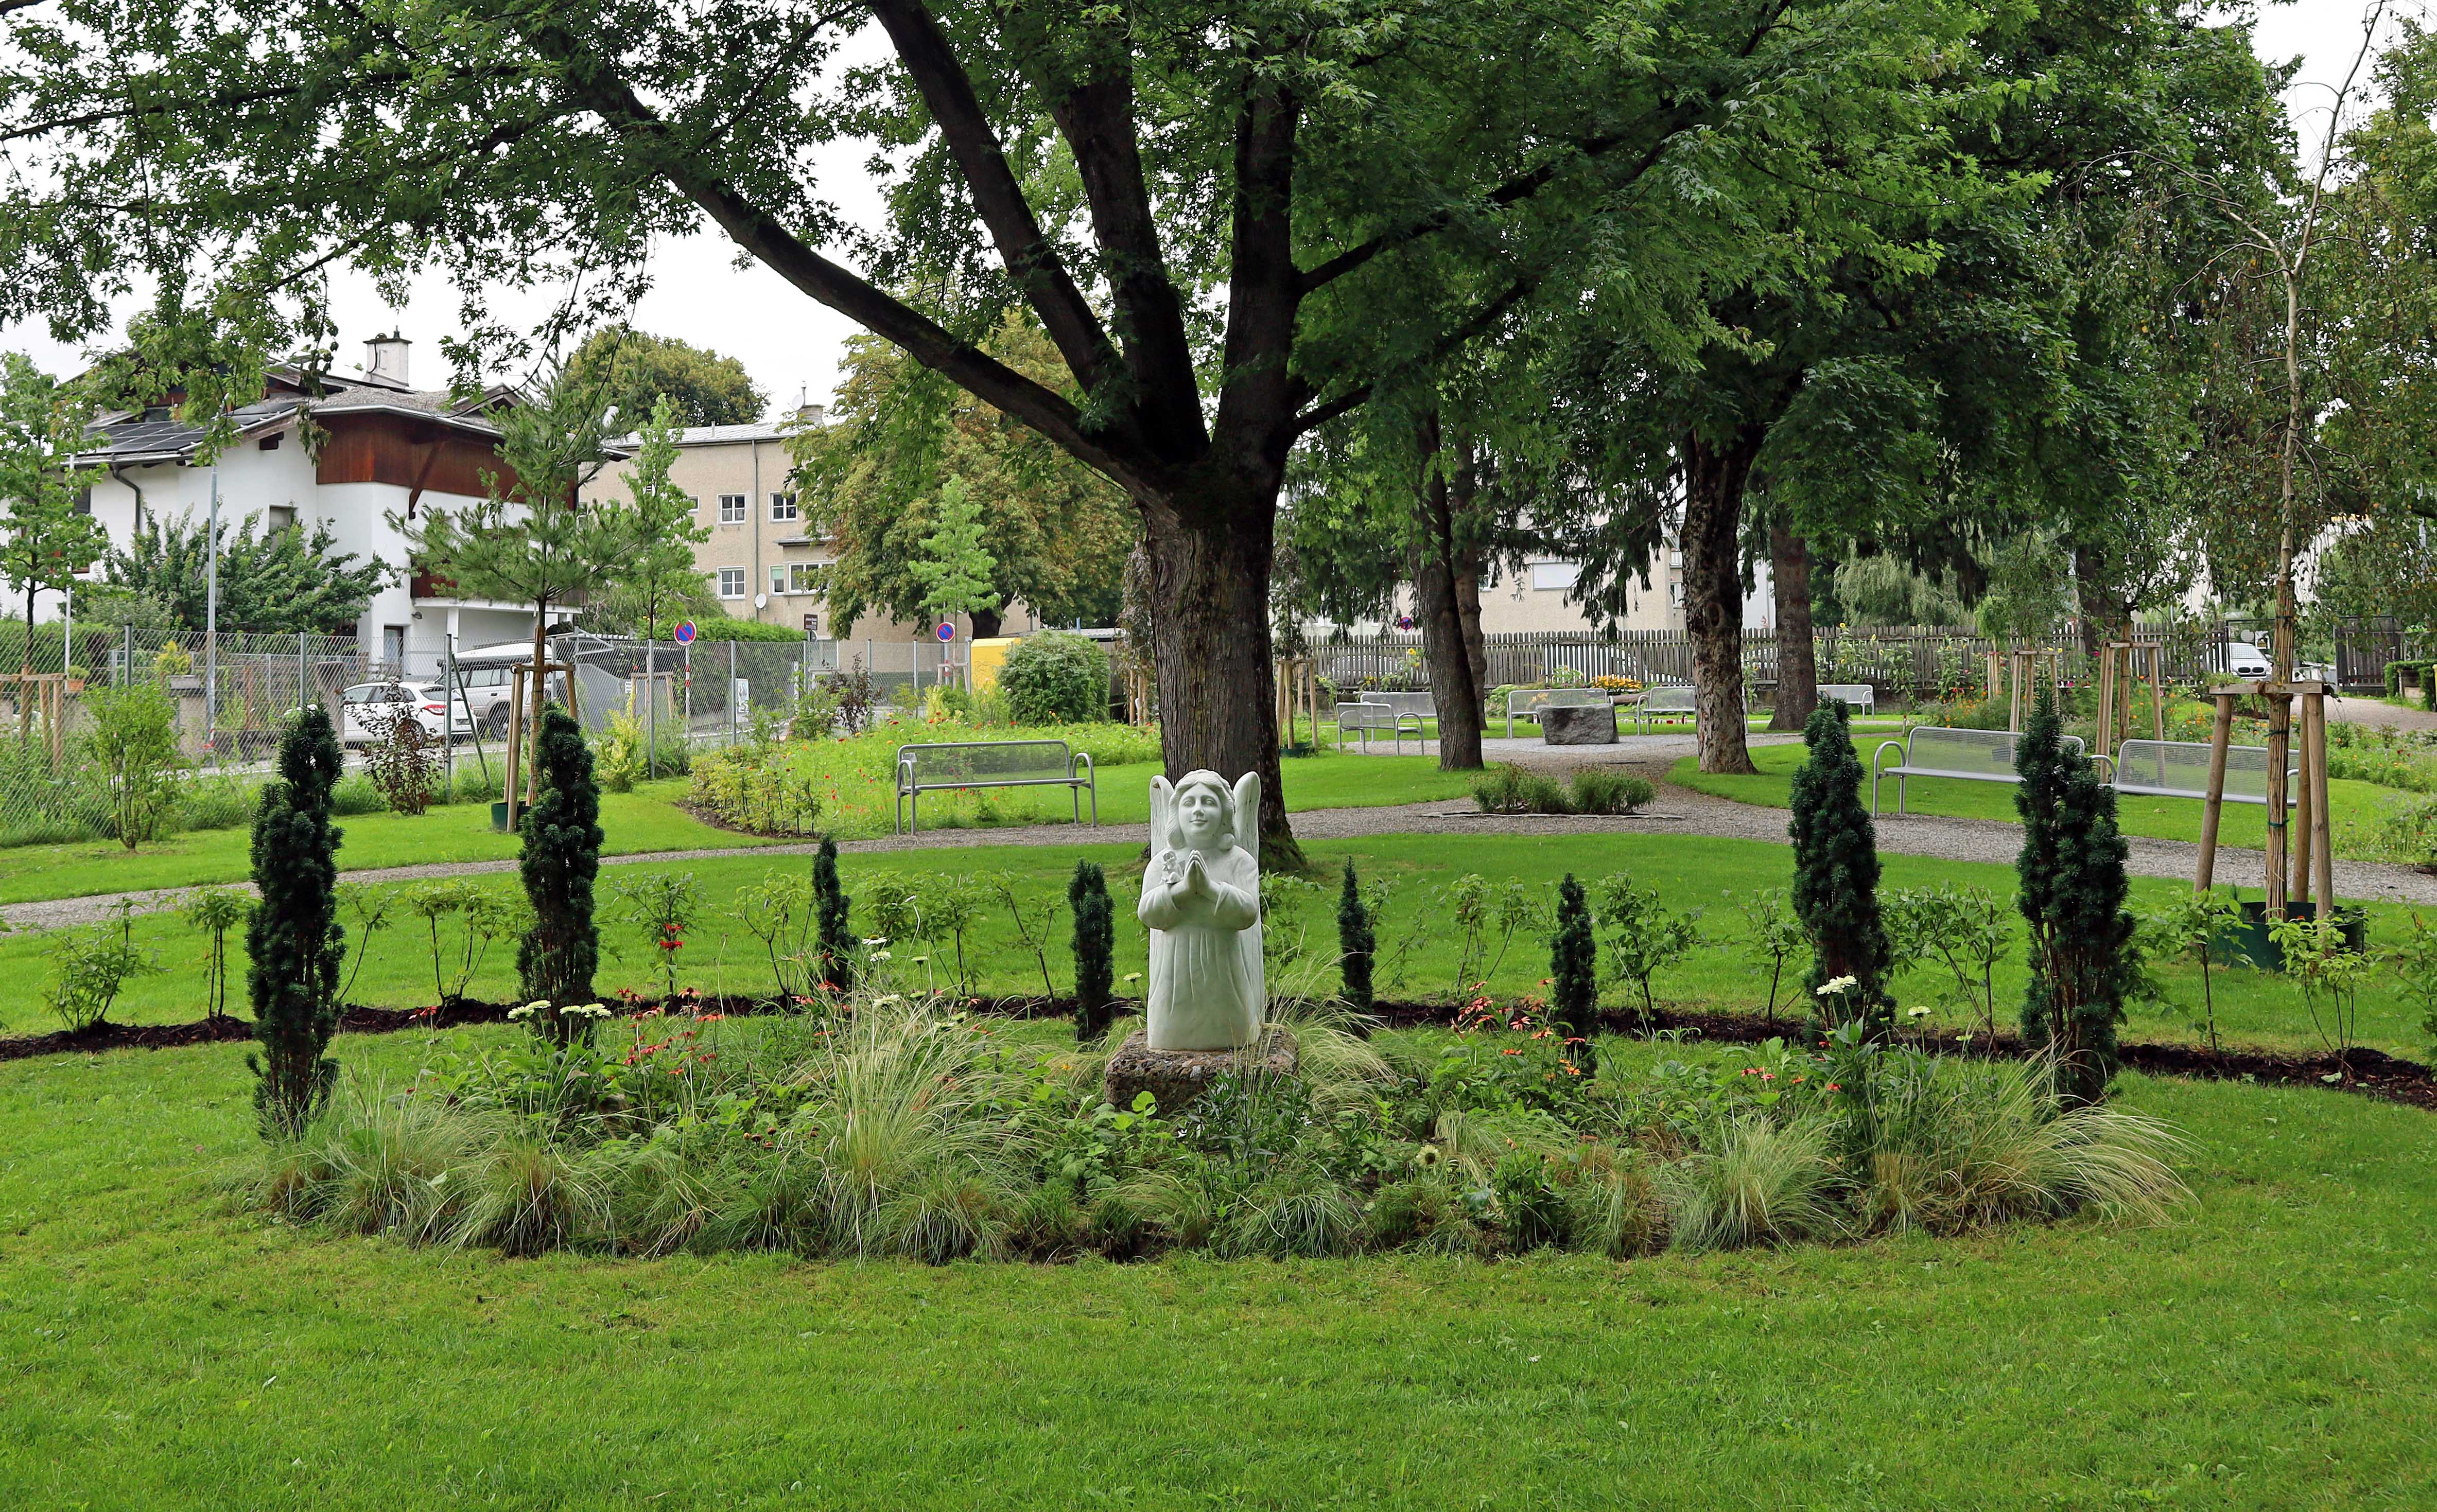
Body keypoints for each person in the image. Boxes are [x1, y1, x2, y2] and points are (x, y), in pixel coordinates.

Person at [1137, 769, 1264, 1049]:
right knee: (1172, 1028)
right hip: (1175, 975)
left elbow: (1247, 914)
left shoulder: (1238, 862)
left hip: (1224, 973)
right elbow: (1148, 913)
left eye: (1208, 802)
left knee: (1230, 1030)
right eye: (1189, 803)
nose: (1198, 811)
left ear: (1225, 814)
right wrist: (1182, 890)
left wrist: (1209, 889)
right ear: (1176, 814)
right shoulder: (1162, 863)